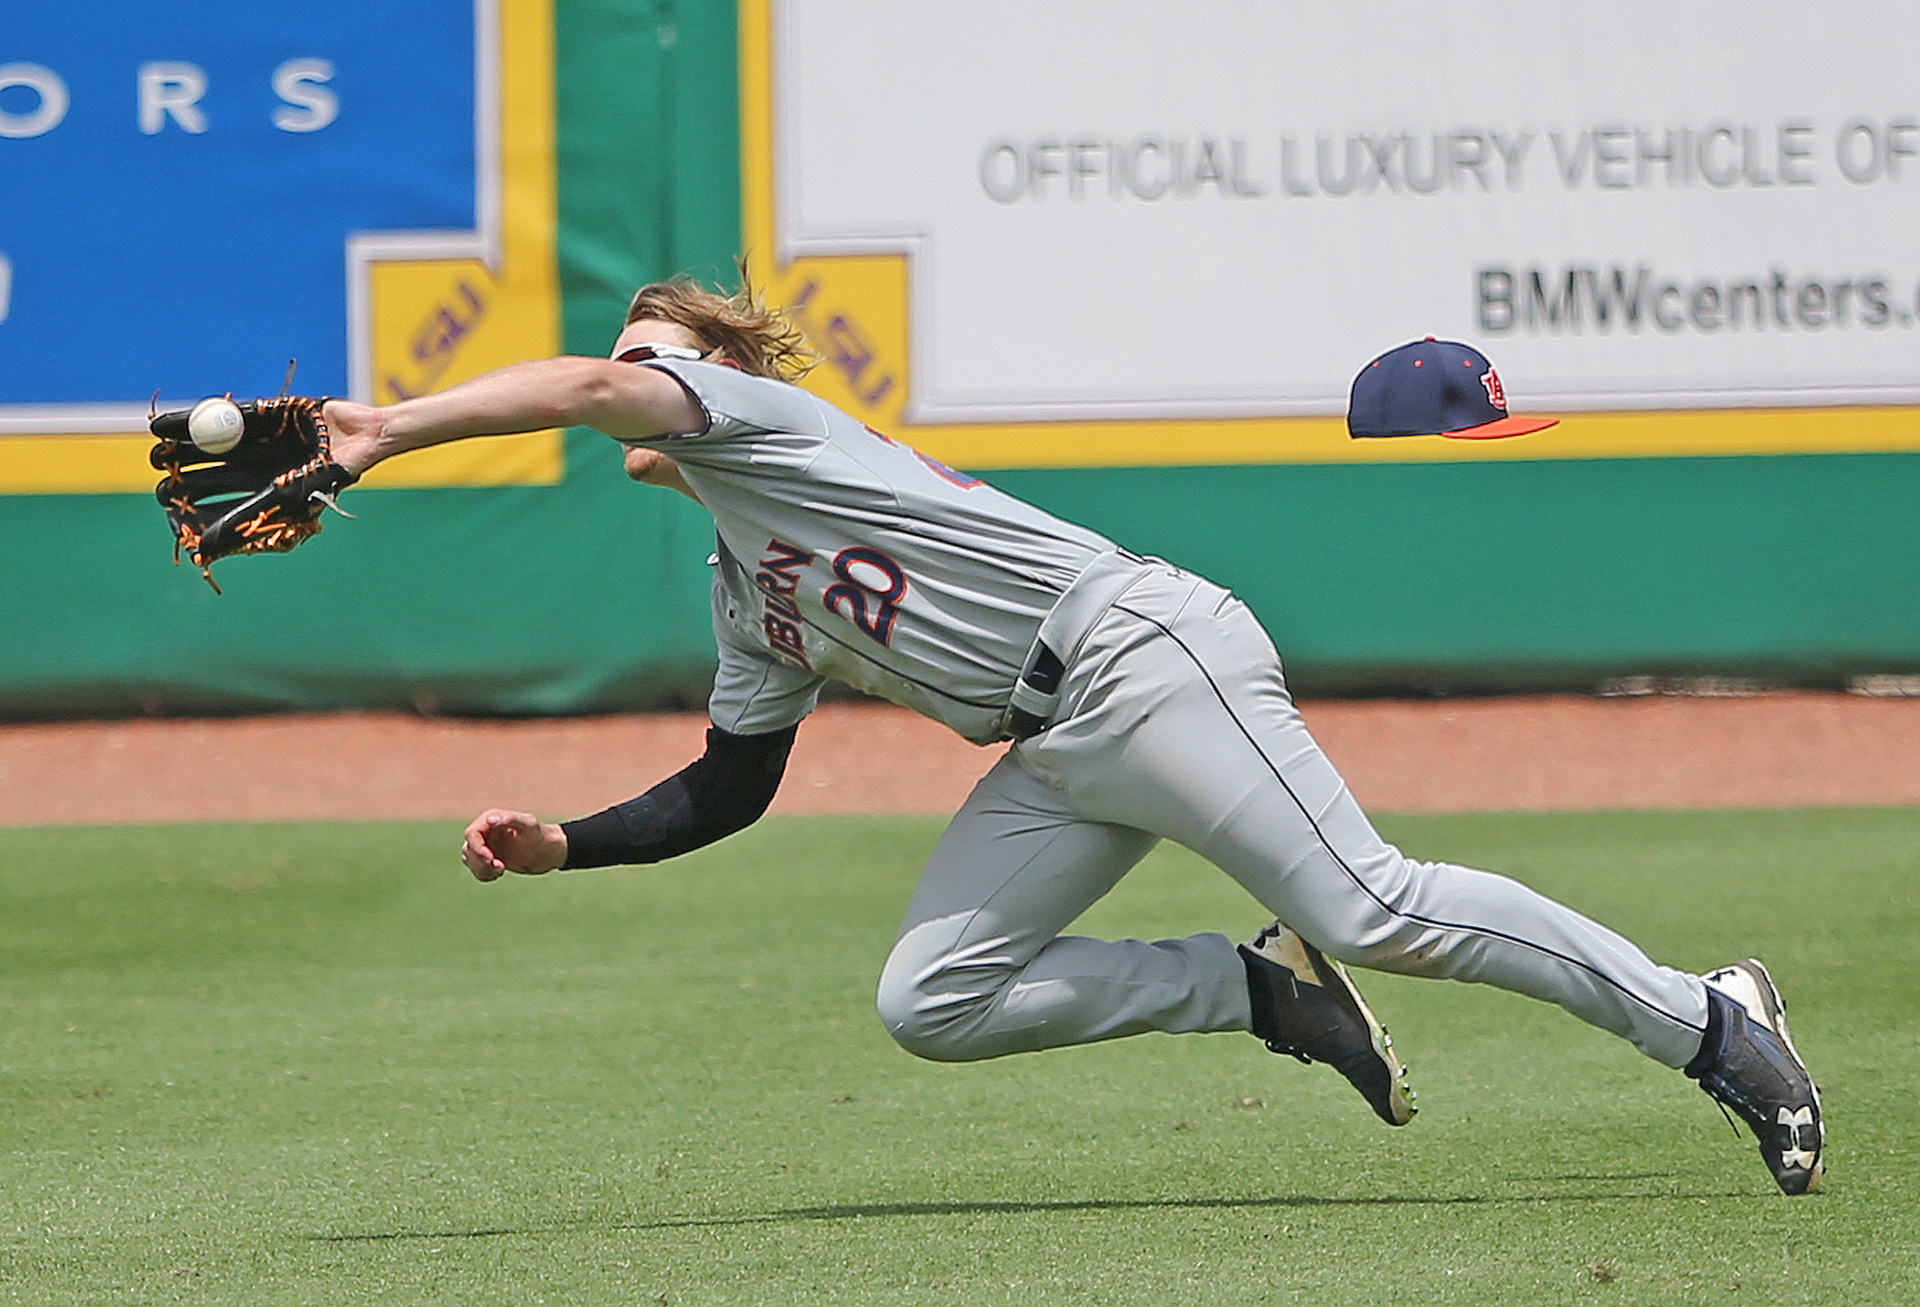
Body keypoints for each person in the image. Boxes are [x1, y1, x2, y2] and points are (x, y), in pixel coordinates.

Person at [320, 276, 1824, 1195]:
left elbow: (588, 387)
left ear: (718, 381)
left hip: (1138, 656)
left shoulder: (776, 428)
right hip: (1055, 746)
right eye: (635, 353)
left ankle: (1710, 1018)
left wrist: (383, 426)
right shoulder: (745, 585)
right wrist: (564, 843)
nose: (637, 371)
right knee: (935, 999)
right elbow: (730, 784)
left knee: (1373, 904)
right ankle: (1250, 994)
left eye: (662, 355)